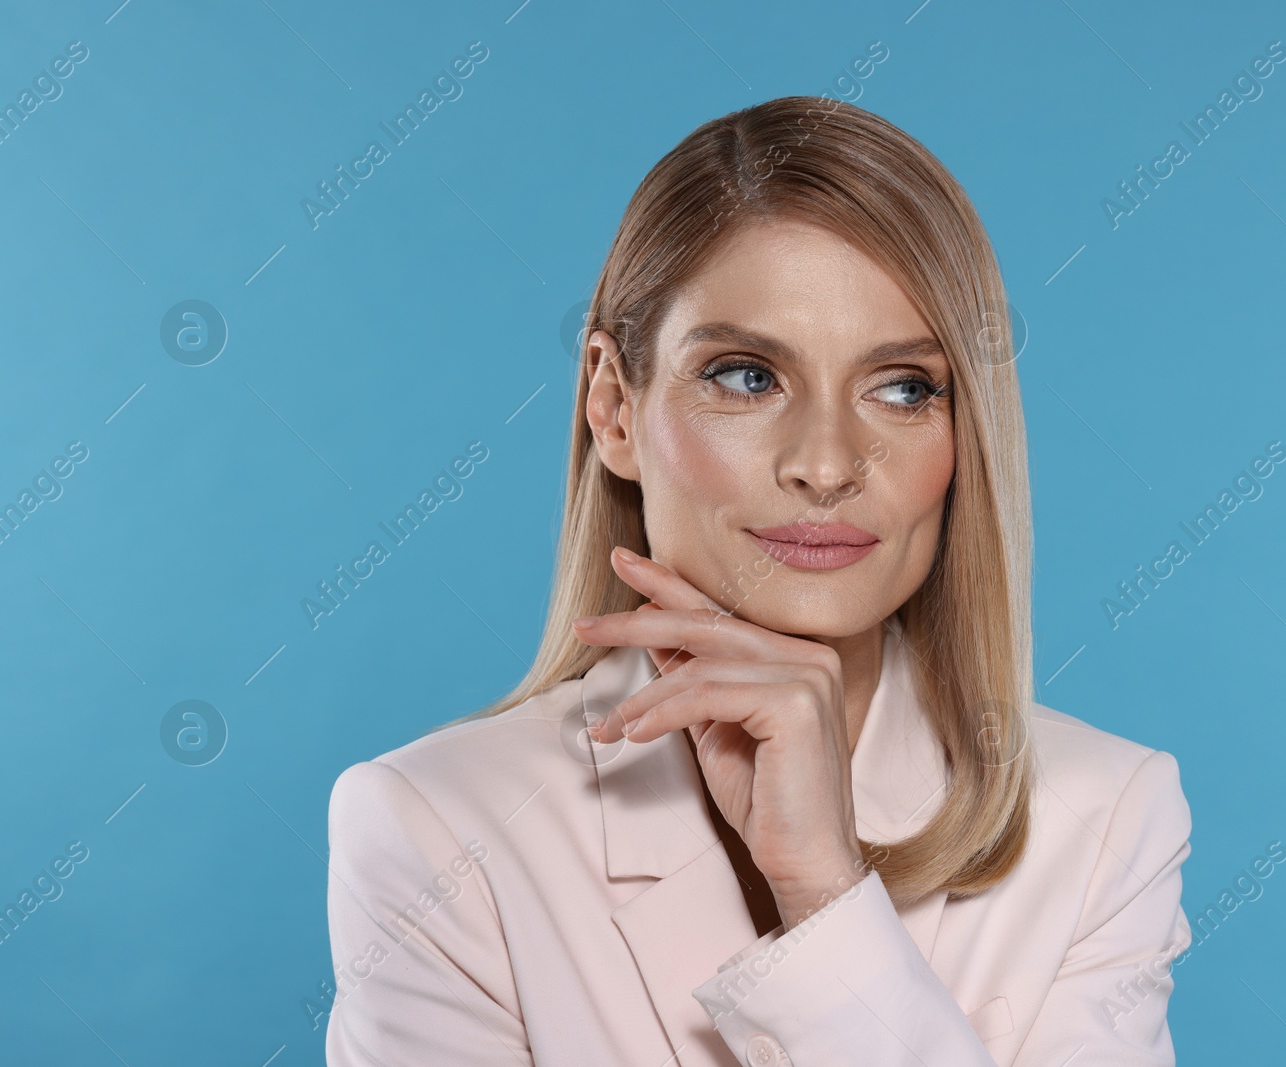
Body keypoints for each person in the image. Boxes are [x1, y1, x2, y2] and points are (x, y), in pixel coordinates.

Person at [323, 94, 1193, 1066]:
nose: (825, 464)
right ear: (613, 405)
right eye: (745, 375)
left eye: (903, 386)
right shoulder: (435, 826)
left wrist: (825, 890)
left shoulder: (1106, 811)